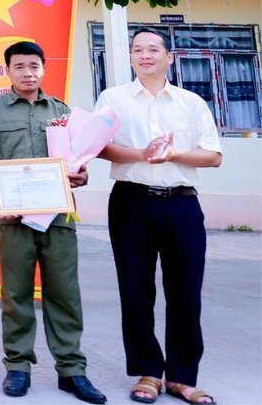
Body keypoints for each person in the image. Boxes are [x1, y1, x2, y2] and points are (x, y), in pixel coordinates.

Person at [0, 41, 106, 404]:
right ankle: (18, 366)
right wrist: (0, 196)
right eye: (19, 66)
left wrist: (81, 175)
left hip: (58, 217)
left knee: (64, 293)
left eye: (34, 65)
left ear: (44, 68)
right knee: (15, 293)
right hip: (14, 218)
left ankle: (71, 369)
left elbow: (78, 161)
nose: (27, 73)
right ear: (8, 71)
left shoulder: (62, 112)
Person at [96, 28, 222, 405]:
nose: (145, 55)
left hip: (181, 204)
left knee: (186, 292)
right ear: (131, 58)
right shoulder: (113, 98)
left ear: (169, 57)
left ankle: (182, 377)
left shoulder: (190, 103)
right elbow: (98, 145)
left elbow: (213, 155)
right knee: (136, 289)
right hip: (130, 203)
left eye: (153, 49)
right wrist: (141, 154)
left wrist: (175, 155)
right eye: (138, 50)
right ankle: (148, 372)